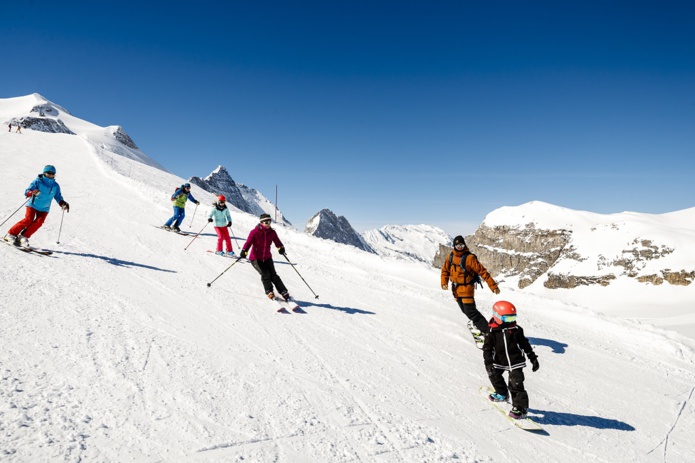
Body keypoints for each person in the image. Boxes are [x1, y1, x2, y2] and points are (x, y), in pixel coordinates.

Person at [483, 300, 539, 420]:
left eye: (513, 318)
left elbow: (525, 344)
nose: (511, 321)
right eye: (507, 319)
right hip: (499, 361)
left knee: (516, 384)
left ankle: (520, 408)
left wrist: (532, 357)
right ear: (497, 317)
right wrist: (488, 361)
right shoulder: (491, 331)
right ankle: (502, 393)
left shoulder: (517, 330)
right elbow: (487, 348)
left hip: (516, 361)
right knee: (494, 375)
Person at [441, 235, 500, 334]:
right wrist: (444, 282)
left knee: (471, 312)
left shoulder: (469, 258)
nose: (460, 247)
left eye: (461, 245)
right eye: (457, 245)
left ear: (464, 245)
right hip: (456, 290)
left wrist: (493, 286)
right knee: (465, 311)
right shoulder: (450, 256)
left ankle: (488, 332)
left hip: (467, 289)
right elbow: (445, 271)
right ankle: (480, 326)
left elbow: (483, 272)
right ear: (454, 246)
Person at [4, 165, 69, 247]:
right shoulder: (38, 181)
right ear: (44, 173)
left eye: (53, 173)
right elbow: (27, 191)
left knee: (39, 222)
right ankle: (10, 234)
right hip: (33, 204)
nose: (51, 174)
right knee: (28, 219)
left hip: (45, 207)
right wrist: (32, 192)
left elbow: (58, 196)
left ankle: (23, 237)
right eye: (49, 173)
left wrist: (62, 203)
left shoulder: (55, 186)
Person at [240, 213, 291, 300]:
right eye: (266, 222)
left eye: (269, 221)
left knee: (274, 275)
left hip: (267, 257)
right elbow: (248, 242)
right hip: (255, 258)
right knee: (265, 274)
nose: (268, 224)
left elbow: (277, 241)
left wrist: (281, 248)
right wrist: (244, 251)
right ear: (261, 222)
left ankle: (283, 291)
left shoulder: (272, 232)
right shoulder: (254, 232)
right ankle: (269, 291)